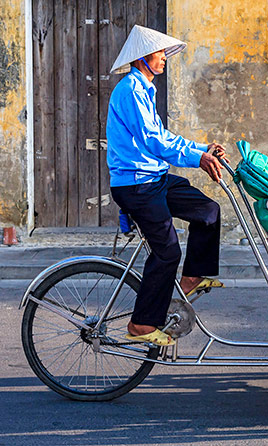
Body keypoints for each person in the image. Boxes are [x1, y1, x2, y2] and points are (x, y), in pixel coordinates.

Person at [106, 25, 226, 347]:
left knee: (208, 211)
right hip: (136, 185)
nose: (163, 59)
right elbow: (154, 141)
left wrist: (202, 149)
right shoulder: (130, 90)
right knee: (167, 251)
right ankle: (141, 324)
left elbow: (165, 137)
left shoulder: (145, 90)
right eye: (159, 54)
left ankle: (191, 279)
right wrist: (196, 159)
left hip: (154, 179)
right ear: (144, 57)